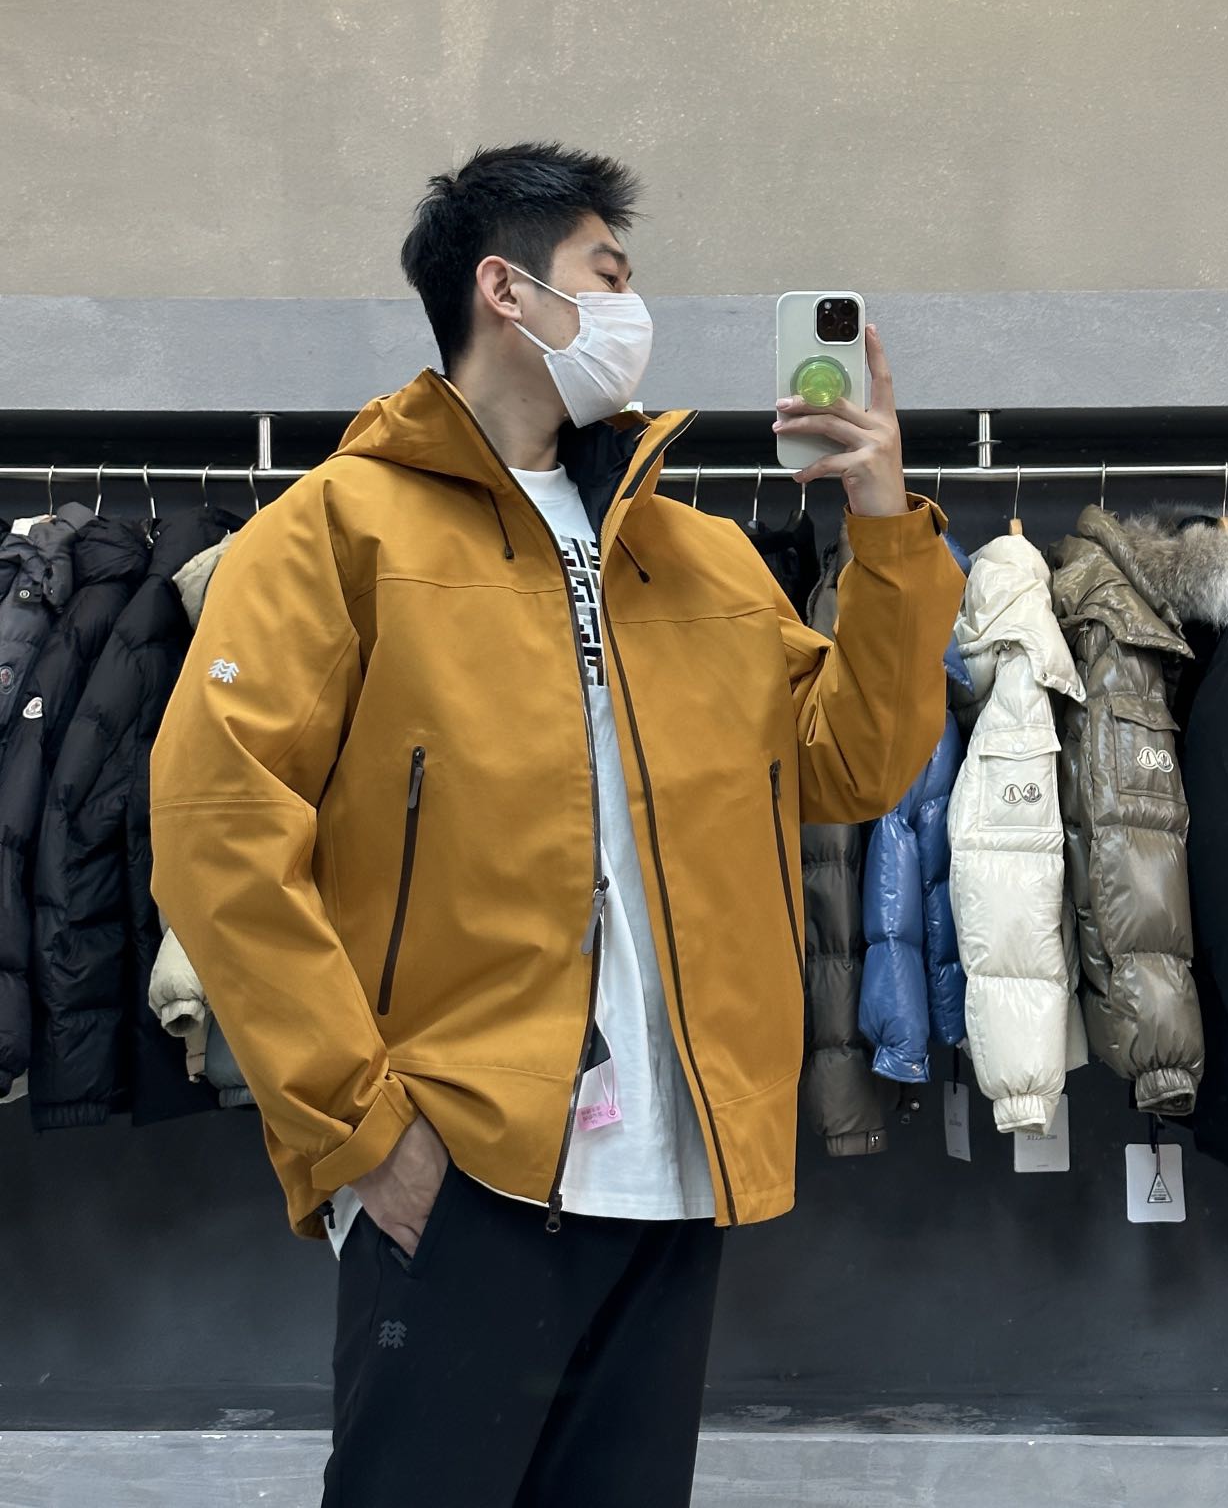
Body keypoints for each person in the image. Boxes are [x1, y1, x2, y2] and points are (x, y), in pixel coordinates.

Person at [149, 140, 964, 1507]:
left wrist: (881, 529)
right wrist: (366, 1136)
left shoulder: (693, 555)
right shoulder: (335, 532)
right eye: (610, 272)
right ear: (507, 290)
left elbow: (854, 762)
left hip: (675, 1175)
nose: (636, 309)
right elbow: (216, 828)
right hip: (461, 1170)